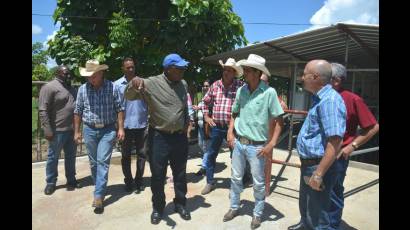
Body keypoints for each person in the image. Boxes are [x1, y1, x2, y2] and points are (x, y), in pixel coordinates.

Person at [124, 53, 191, 224]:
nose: (183, 70)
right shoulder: (151, 83)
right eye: (180, 68)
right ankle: (158, 208)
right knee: (158, 176)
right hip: (159, 137)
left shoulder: (183, 84)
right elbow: (129, 96)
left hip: (179, 137)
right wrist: (133, 84)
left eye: (184, 67)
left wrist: (187, 124)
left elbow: (184, 107)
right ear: (169, 69)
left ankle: (181, 203)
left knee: (180, 173)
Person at [223, 54, 284, 229]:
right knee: (235, 178)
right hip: (239, 143)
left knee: (258, 183)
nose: (244, 73)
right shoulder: (242, 90)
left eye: (248, 70)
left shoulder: (269, 93)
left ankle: (257, 214)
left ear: (257, 73)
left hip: (257, 146)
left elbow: (279, 121)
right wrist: (230, 132)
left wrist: (271, 144)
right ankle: (234, 207)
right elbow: (235, 113)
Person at [288, 60, 346, 230]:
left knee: (319, 218)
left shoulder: (330, 101)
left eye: (304, 73)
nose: (302, 77)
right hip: (310, 165)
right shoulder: (319, 98)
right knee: (308, 208)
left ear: (315, 77)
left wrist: (319, 173)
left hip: (318, 166)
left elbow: (335, 142)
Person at [328, 63, 379, 229]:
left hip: (337, 155)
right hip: (317, 153)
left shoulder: (352, 99)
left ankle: (333, 225)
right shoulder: (320, 96)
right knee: (315, 189)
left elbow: (373, 126)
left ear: (336, 80)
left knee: (334, 192)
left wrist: (352, 146)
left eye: (324, 75)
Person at [74, 60, 125, 214]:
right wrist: (77, 131)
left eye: (94, 76)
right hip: (89, 130)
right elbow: (78, 110)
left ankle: (98, 195)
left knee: (102, 161)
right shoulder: (82, 89)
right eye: (88, 76)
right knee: (94, 163)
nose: (91, 79)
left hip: (107, 130)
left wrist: (121, 128)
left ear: (101, 73)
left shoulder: (113, 87)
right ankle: (100, 187)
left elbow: (120, 109)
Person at [201, 58, 244, 195]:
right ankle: (210, 181)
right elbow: (204, 102)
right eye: (225, 69)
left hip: (233, 128)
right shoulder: (215, 85)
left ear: (234, 73)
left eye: (230, 70)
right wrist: (206, 117)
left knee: (236, 156)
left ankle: (236, 183)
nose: (226, 72)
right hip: (217, 127)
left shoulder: (240, 86)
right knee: (211, 154)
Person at [39, 65, 81, 195]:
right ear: (58, 73)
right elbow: (42, 110)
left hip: (71, 130)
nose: (68, 76)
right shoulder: (49, 87)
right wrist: (47, 129)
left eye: (69, 73)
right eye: (65, 73)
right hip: (57, 130)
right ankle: (51, 182)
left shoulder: (72, 88)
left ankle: (71, 179)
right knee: (53, 157)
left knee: (70, 157)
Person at [114, 57, 148, 193]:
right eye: (128, 67)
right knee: (126, 155)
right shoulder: (116, 85)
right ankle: (128, 181)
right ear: (123, 69)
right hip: (125, 127)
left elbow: (149, 100)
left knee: (142, 154)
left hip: (142, 125)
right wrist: (118, 127)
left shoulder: (143, 83)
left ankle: (139, 181)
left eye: (132, 67)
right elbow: (116, 107)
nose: (131, 69)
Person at [193, 79, 211, 176]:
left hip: (207, 126)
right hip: (200, 125)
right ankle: (209, 158)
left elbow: (210, 107)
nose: (205, 87)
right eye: (204, 86)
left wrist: (199, 108)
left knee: (206, 146)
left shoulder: (212, 96)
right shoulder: (202, 97)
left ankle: (204, 167)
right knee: (201, 144)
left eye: (207, 86)